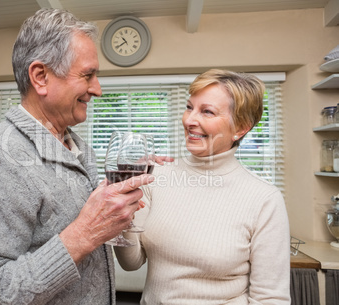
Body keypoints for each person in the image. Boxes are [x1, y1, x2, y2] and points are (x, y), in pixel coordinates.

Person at [0, 8, 154, 305]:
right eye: (88, 75)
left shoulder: (80, 148)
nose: (98, 90)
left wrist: (116, 210)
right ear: (40, 77)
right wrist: (83, 235)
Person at [115, 69, 291, 304]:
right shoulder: (155, 177)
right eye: (189, 107)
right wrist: (124, 202)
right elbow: (131, 262)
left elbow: (271, 299)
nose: (189, 120)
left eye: (207, 111)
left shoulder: (264, 199)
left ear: (241, 127)